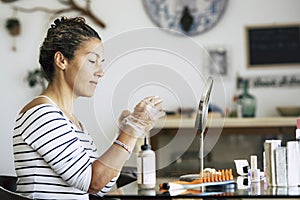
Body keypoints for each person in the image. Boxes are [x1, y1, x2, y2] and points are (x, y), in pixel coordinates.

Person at [12, 16, 165, 199]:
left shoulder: (71, 122)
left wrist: (126, 132)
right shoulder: (42, 115)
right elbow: (94, 183)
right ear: (61, 60)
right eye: (92, 61)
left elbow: (101, 186)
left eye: (101, 63)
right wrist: (132, 131)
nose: (101, 72)